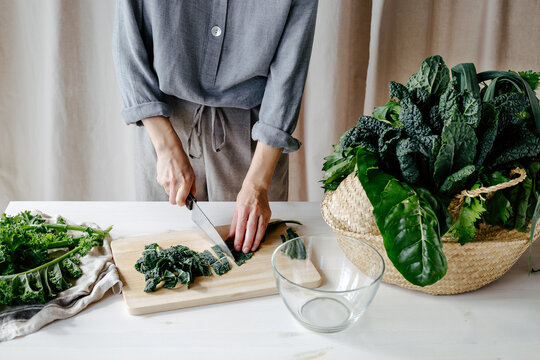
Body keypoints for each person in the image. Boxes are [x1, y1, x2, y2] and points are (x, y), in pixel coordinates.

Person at [112, 0, 318, 254]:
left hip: (255, 142)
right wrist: (164, 146)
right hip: (164, 126)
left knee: (256, 262)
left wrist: (258, 185)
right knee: (161, 253)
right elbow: (128, 39)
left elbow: (290, 66)